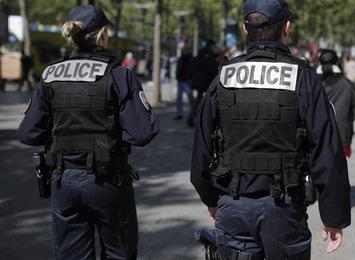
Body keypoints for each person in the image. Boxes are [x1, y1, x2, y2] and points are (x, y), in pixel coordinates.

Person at [190, 0, 351, 259]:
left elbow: (201, 149)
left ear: (245, 29)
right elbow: (327, 150)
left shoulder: (223, 76)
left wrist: (211, 199)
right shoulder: (303, 77)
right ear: (286, 27)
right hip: (284, 208)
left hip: (232, 206)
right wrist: (334, 216)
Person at [17, 5, 159, 259]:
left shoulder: (51, 74)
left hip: (64, 180)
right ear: (103, 34)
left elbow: (29, 133)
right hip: (107, 181)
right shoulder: (118, 75)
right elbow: (142, 133)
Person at [320, 49, 355, 158]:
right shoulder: (346, 84)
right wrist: (352, 115)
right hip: (342, 132)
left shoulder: (314, 83)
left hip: (318, 133)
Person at [187, 39, 219, 127]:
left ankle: (192, 117)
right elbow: (212, 68)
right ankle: (201, 119)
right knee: (206, 100)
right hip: (206, 81)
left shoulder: (200, 53)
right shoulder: (210, 55)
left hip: (198, 81)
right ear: (212, 45)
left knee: (199, 99)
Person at [174, 46, 194, 120]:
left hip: (187, 81)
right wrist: (177, 77)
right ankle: (179, 114)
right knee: (179, 98)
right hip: (180, 80)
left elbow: (192, 70)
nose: (184, 51)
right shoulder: (180, 59)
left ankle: (194, 112)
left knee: (190, 97)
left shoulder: (191, 59)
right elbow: (178, 69)